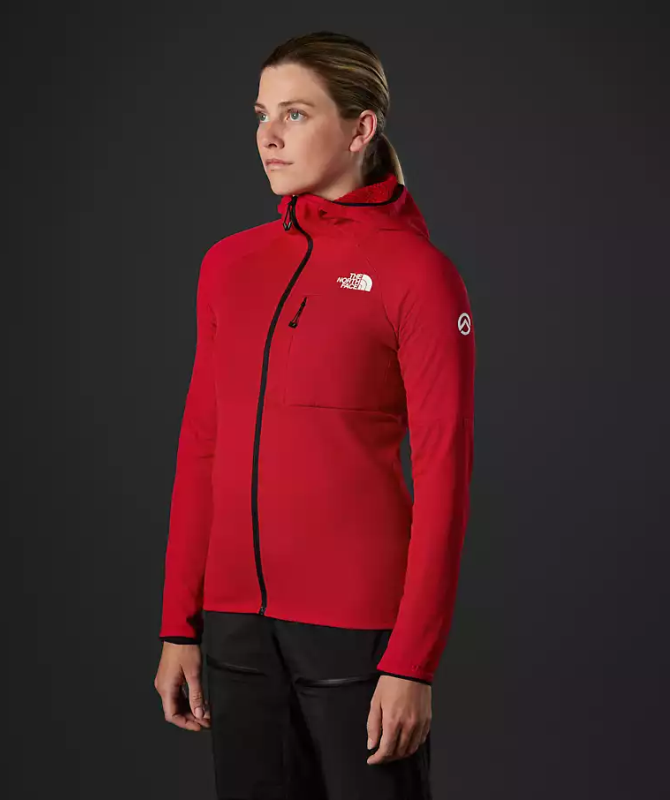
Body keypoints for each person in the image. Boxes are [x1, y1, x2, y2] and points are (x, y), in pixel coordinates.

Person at [153, 30, 475, 800]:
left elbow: (443, 476)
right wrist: (178, 624)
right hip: (235, 626)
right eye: (261, 114)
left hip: (358, 629)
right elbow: (202, 448)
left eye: (295, 114)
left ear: (361, 128)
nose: (268, 135)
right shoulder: (229, 264)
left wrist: (411, 662)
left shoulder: (418, 275)